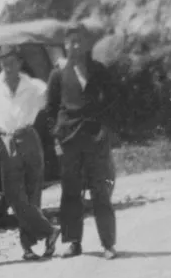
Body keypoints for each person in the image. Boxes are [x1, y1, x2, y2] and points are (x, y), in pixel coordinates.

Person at [0, 44, 62, 261]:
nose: (8, 67)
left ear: (20, 63)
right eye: (4, 63)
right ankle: (49, 230)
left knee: (33, 193)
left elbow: (54, 99)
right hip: (7, 141)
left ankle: (28, 247)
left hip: (29, 138)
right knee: (14, 195)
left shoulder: (35, 87)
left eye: (12, 62)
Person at [45, 22, 119, 260]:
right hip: (70, 140)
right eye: (70, 42)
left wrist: (105, 131)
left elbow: (112, 103)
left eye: (79, 41)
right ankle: (73, 242)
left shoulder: (99, 70)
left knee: (101, 191)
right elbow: (51, 109)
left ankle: (108, 243)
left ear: (87, 44)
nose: (75, 46)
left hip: (95, 139)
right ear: (65, 45)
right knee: (71, 192)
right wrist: (58, 136)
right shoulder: (57, 75)